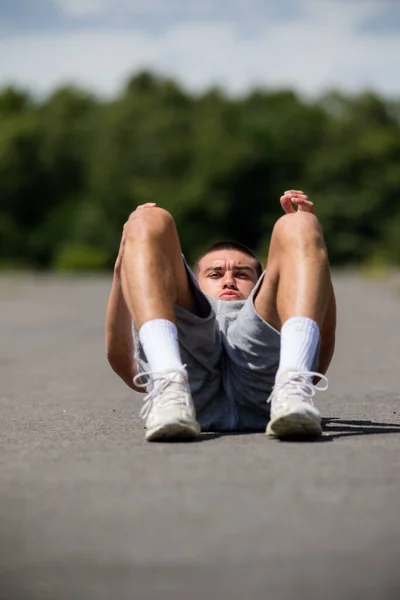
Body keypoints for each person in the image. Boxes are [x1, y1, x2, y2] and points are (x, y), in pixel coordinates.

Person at [105, 190, 336, 441]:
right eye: (215, 274)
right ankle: (168, 387)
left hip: (264, 378)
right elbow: (124, 358)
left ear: (260, 283)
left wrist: (312, 244)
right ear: (192, 282)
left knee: (300, 223)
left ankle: (293, 388)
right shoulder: (185, 304)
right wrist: (124, 264)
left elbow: (321, 344)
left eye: (242, 274)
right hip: (191, 379)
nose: (229, 280)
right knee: (147, 220)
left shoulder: (270, 304)